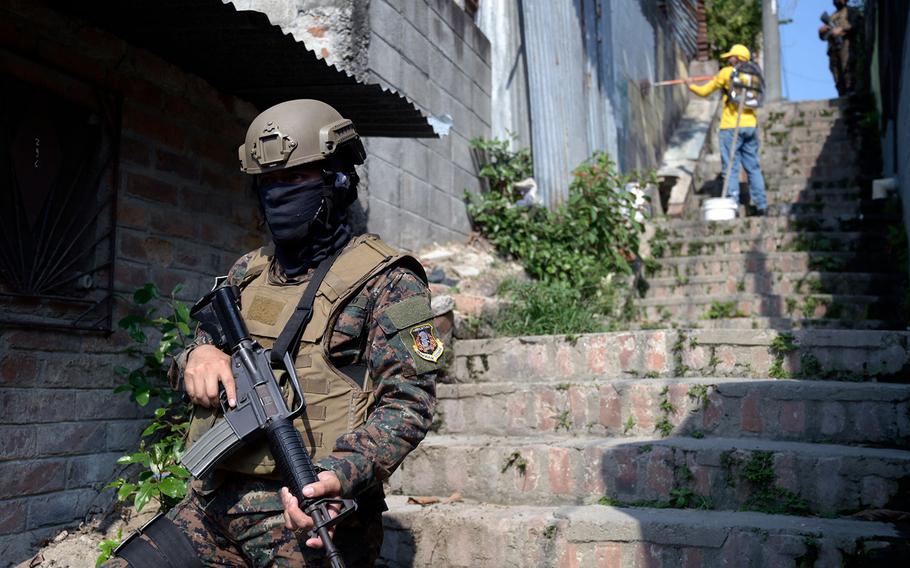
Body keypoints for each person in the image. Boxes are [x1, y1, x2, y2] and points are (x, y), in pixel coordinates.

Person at [109, 99, 439, 567]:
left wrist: (337, 475)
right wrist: (198, 356)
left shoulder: (390, 280)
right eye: (269, 183)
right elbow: (191, 352)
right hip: (212, 505)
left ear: (337, 181)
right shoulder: (248, 271)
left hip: (307, 513)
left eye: (296, 179)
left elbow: (410, 405)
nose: (279, 195)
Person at [687, 44, 767, 216]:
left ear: (737, 58)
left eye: (731, 56)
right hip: (750, 126)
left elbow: (704, 91)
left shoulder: (726, 73)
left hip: (731, 126)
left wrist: (691, 85)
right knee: (753, 166)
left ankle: (733, 204)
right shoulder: (755, 75)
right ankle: (761, 205)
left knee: (731, 166)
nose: (729, 59)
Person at [819, 0, 856, 97]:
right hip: (833, 49)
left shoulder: (850, 11)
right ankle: (842, 96)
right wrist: (822, 31)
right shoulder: (832, 16)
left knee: (847, 69)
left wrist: (842, 29)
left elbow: (855, 24)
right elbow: (823, 37)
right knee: (836, 74)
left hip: (846, 45)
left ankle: (851, 94)